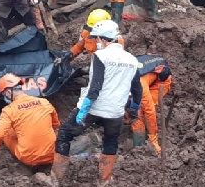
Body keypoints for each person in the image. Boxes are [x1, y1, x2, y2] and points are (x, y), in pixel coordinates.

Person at [51, 20, 142, 187]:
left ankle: (56, 179)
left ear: (103, 39)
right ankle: (104, 180)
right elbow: (137, 88)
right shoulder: (132, 60)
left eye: (97, 39)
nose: (97, 42)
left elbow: (95, 87)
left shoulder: (100, 56)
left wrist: (83, 111)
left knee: (64, 135)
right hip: (115, 112)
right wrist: (134, 108)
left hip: (94, 108)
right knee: (110, 142)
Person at [0, 73, 61, 167]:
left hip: (29, 158)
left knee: (7, 132)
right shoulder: (44, 102)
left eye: (4, 94)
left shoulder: (9, 110)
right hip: (52, 155)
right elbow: (56, 124)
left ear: (8, 92)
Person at [130, 54, 172, 155]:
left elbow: (150, 111)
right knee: (137, 110)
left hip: (161, 81)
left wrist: (153, 138)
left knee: (146, 107)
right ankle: (139, 142)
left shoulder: (139, 85)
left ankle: (152, 140)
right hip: (146, 74)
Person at [58, 9, 126, 65]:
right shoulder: (86, 33)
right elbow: (79, 46)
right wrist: (70, 54)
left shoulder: (116, 40)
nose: (92, 31)